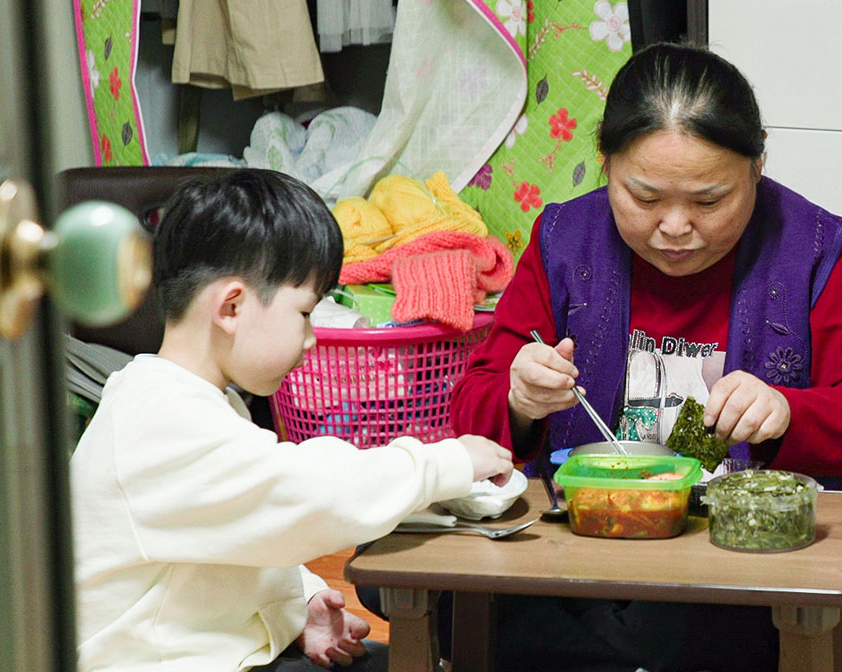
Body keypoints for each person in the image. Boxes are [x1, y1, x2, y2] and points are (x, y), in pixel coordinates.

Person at [448, 43, 842, 672]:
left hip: (741, 567)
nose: (674, 227)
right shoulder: (566, 240)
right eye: (644, 198)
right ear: (605, 164)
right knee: (400, 577)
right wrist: (518, 400)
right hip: (587, 554)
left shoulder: (819, 252)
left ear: (757, 166)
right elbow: (469, 416)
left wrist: (789, 412)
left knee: (673, 627)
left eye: (708, 201)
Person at [68, 169, 514, 672]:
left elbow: (239, 531)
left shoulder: (182, 400)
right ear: (231, 307)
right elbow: (307, 490)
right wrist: (447, 460)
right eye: (305, 313)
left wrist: (299, 603)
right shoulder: (160, 423)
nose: (312, 339)